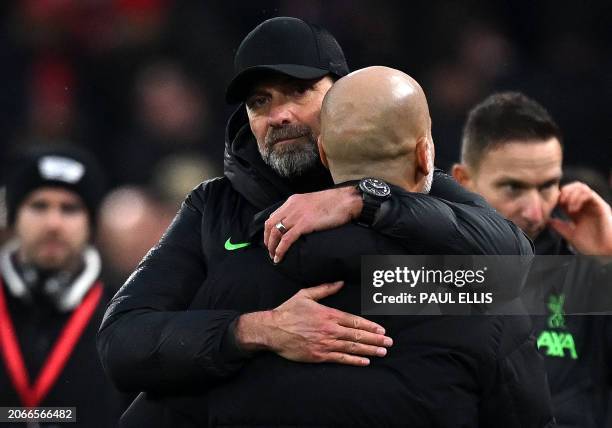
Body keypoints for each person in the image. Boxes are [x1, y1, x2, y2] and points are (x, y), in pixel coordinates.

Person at [98, 18, 550, 426]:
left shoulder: (417, 187)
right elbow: (121, 341)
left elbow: (516, 260)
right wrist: (256, 330)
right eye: (260, 101)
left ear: (343, 95)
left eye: (299, 91)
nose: (279, 115)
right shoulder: (213, 208)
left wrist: (365, 197)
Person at [449, 92, 612, 427]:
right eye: (513, 188)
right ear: (463, 181)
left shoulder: (587, 273)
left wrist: (608, 261)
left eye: (548, 185)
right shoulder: (424, 271)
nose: (535, 211)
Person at [0, 146, 123, 427]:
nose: (53, 223)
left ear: (91, 224)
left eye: (69, 208)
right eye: (39, 206)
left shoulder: (126, 312)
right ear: (13, 218)